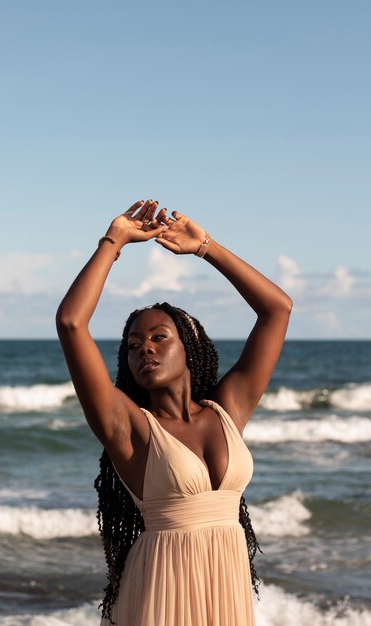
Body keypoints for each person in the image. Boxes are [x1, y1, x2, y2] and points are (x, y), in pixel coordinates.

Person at [56, 199, 292, 626]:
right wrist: (115, 240)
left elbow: (278, 309)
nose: (143, 348)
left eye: (158, 337)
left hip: (225, 591)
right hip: (162, 594)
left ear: (191, 343)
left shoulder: (227, 411)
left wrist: (206, 247)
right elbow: (72, 322)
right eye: (131, 345)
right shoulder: (130, 429)